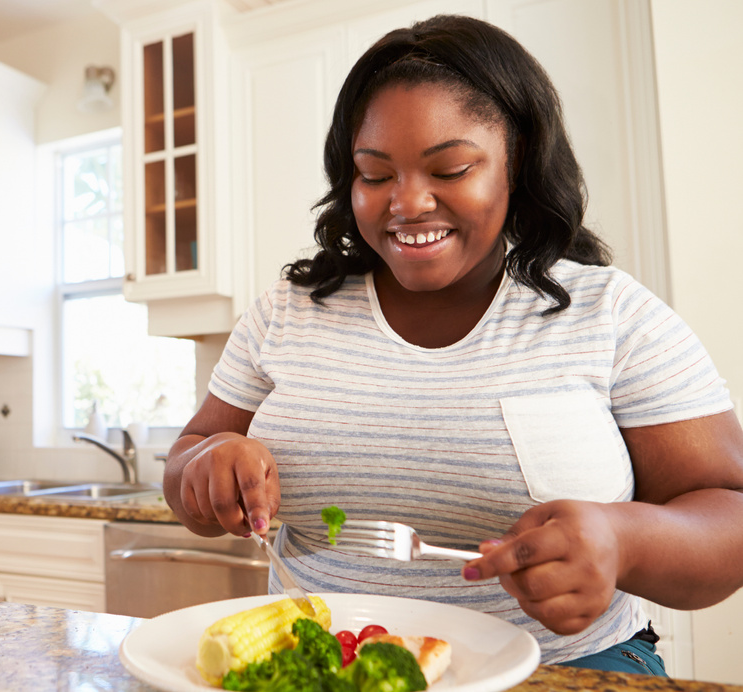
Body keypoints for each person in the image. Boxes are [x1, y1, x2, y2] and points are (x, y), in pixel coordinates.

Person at [162, 13, 743, 674]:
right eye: (374, 175)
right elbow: (185, 462)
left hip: (567, 672)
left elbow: (728, 516)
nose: (406, 203)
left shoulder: (609, 313)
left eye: (450, 168)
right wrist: (205, 463)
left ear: (514, 164)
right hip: (328, 670)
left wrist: (623, 542)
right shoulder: (284, 314)